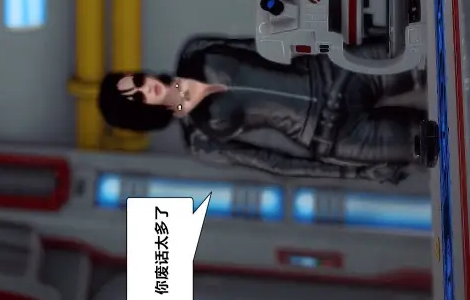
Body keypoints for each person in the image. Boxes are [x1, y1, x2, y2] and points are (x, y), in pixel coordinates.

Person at [98, 34, 428, 185]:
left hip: (335, 71)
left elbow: (269, 43)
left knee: (429, 55)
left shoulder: (195, 50)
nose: (146, 88)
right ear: (140, 115)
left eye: (136, 81)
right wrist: (355, 172)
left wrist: (333, 38)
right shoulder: (201, 141)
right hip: (332, 134)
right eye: (136, 97)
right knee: (427, 143)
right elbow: (275, 163)